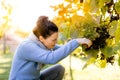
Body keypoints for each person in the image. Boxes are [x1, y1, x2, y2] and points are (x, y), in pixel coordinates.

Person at [9, 16, 92, 80]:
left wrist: (81, 44)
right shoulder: (27, 46)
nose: (56, 42)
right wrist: (76, 41)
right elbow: (51, 58)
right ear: (41, 38)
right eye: (53, 40)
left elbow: (61, 50)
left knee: (59, 70)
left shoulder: (43, 43)